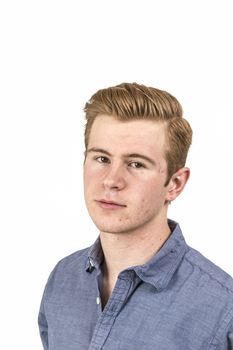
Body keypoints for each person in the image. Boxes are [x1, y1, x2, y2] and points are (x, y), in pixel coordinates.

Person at [38, 82, 233, 349]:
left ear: (175, 184)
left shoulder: (223, 309)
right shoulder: (64, 278)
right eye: (102, 159)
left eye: (136, 164)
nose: (111, 180)